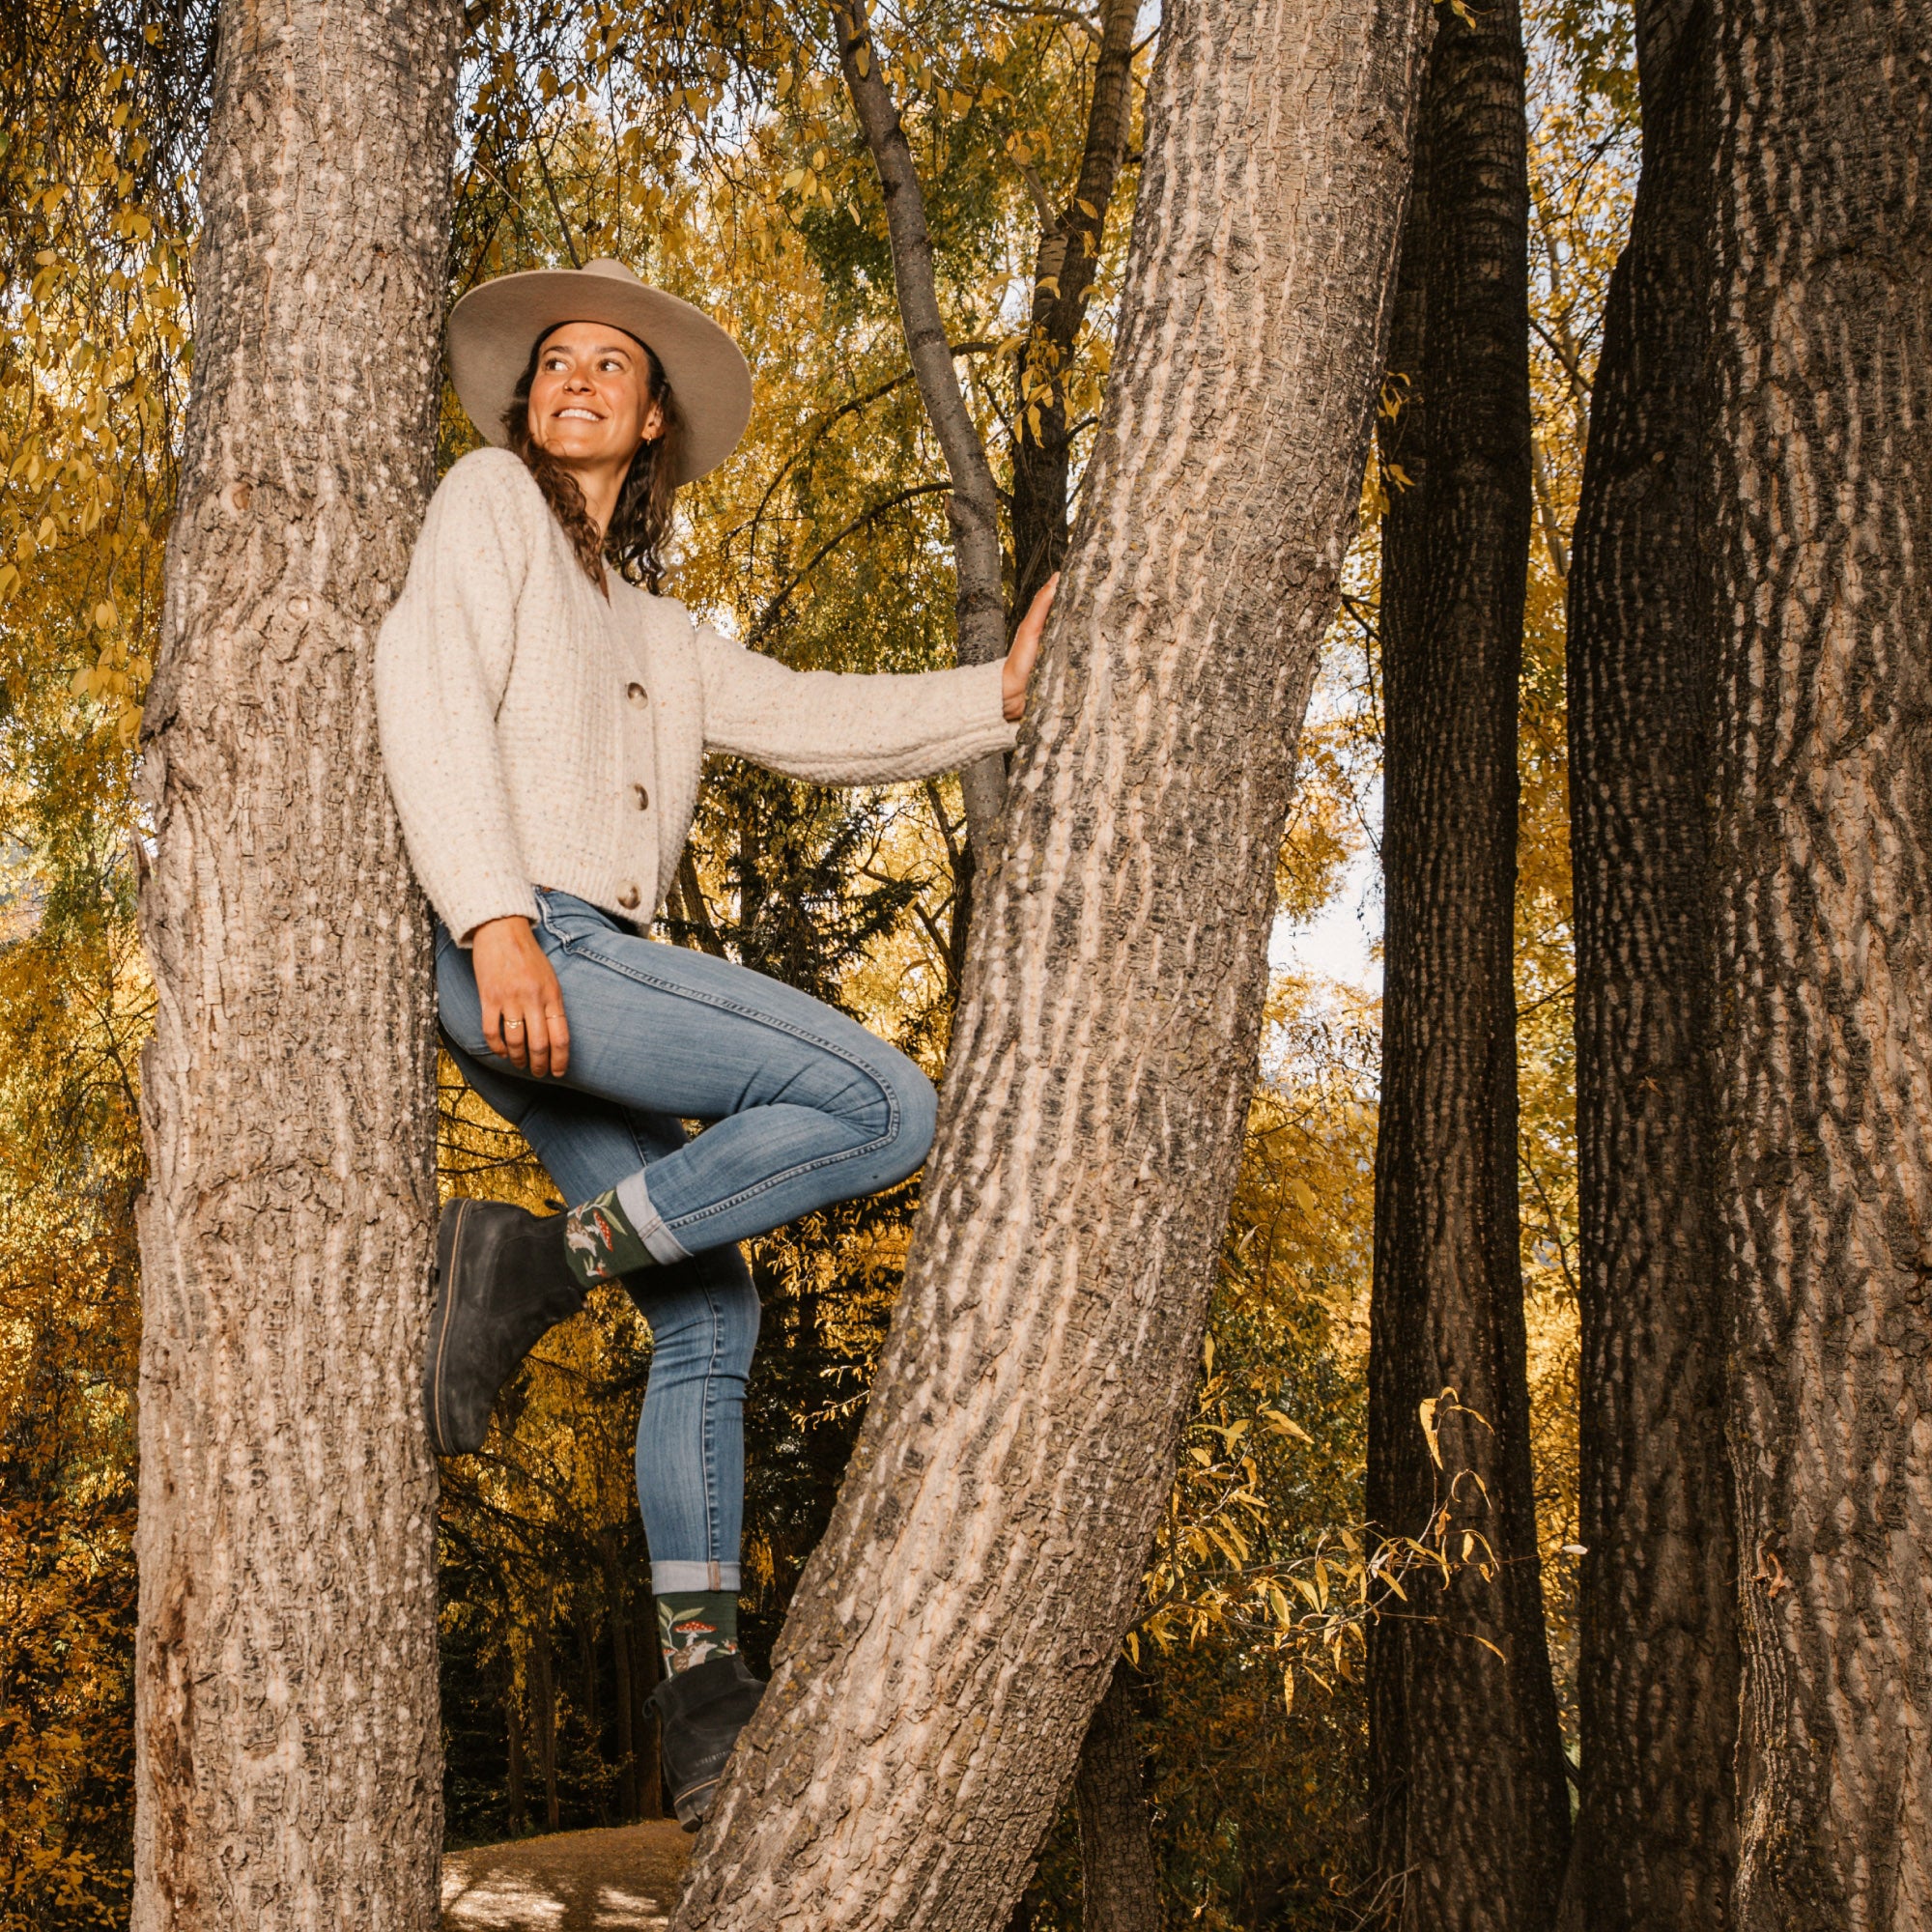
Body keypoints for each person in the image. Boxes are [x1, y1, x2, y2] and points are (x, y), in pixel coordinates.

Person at [375, 258, 1054, 1828]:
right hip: (529, 943)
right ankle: (542, 1267)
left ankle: (697, 1695)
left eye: (612, 363)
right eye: (556, 361)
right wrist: (492, 918)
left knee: (713, 1318)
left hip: (582, 968)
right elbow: (425, 691)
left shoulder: (661, 634)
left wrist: (1004, 698)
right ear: (526, 404)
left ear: (655, 417)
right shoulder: (484, 501)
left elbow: (818, 719)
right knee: (885, 1103)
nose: (577, 377)